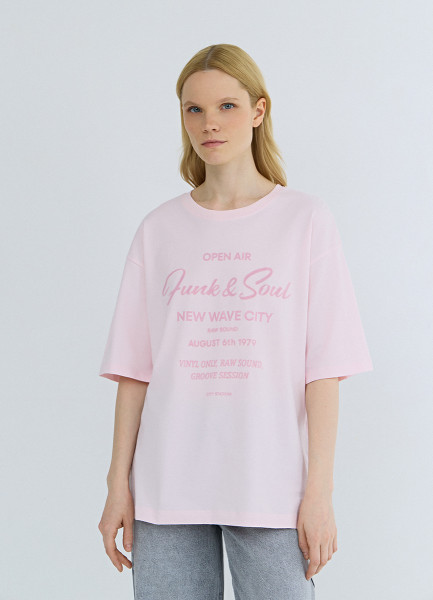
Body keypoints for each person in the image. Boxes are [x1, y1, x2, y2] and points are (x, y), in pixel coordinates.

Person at [97, 43, 373, 599]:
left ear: (258, 111)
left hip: (270, 488)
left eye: (227, 106)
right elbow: (135, 372)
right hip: (166, 488)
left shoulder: (305, 220)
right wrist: (116, 485)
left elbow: (324, 370)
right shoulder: (159, 230)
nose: (210, 123)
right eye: (194, 109)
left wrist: (319, 493)